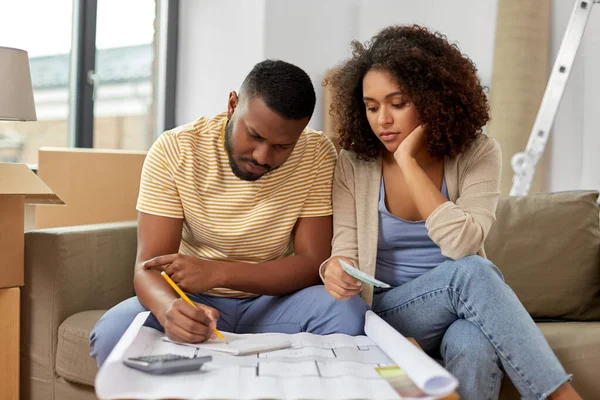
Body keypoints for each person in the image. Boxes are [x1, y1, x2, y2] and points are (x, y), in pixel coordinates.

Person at [321, 25, 581, 400]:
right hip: (390, 313)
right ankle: (560, 395)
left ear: (433, 100)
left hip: (460, 310)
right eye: (372, 107)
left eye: (398, 104)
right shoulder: (354, 163)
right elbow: (343, 250)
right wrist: (333, 268)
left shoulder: (479, 153)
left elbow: (462, 243)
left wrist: (407, 163)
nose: (383, 120)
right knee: (472, 273)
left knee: (474, 345)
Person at [90, 59, 368, 366]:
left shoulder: (316, 154)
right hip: (193, 300)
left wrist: (218, 273)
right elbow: (149, 265)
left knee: (347, 312)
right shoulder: (175, 149)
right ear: (233, 105)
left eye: (282, 147)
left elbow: (311, 263)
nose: (263, 157)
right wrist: (169, 309)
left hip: (278, 303)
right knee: (113, 333)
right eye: (255, 136)